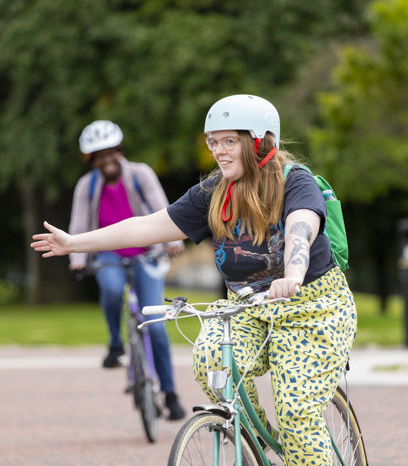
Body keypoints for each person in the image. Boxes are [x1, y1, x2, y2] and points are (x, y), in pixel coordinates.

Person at [32, 95, 358, 465]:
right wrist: (75, 242)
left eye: (228, 141)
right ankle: (259, 438)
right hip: (249, 308)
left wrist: (293, 274)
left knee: (297, 413)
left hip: (310, 309)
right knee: (209, 357)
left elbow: (302, 226)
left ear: (259, 141)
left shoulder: (293, 181)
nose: (218, 151)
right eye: (213, 142)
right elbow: (146, 226)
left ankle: (295, 435)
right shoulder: (214, 191)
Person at [70, 120, 186, 420]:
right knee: (109, 289)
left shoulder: (140, 174)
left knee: (157, 326)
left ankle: (170, 393)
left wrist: (173, 241)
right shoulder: (87, 186)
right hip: (108, 253)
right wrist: (77, 257)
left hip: (148, 252)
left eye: (111, 153)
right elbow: (80, 222)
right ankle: (115, 344)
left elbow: (164, 209)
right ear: (91, 160)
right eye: (99, 156)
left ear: (119, 151)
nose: (107, 160)